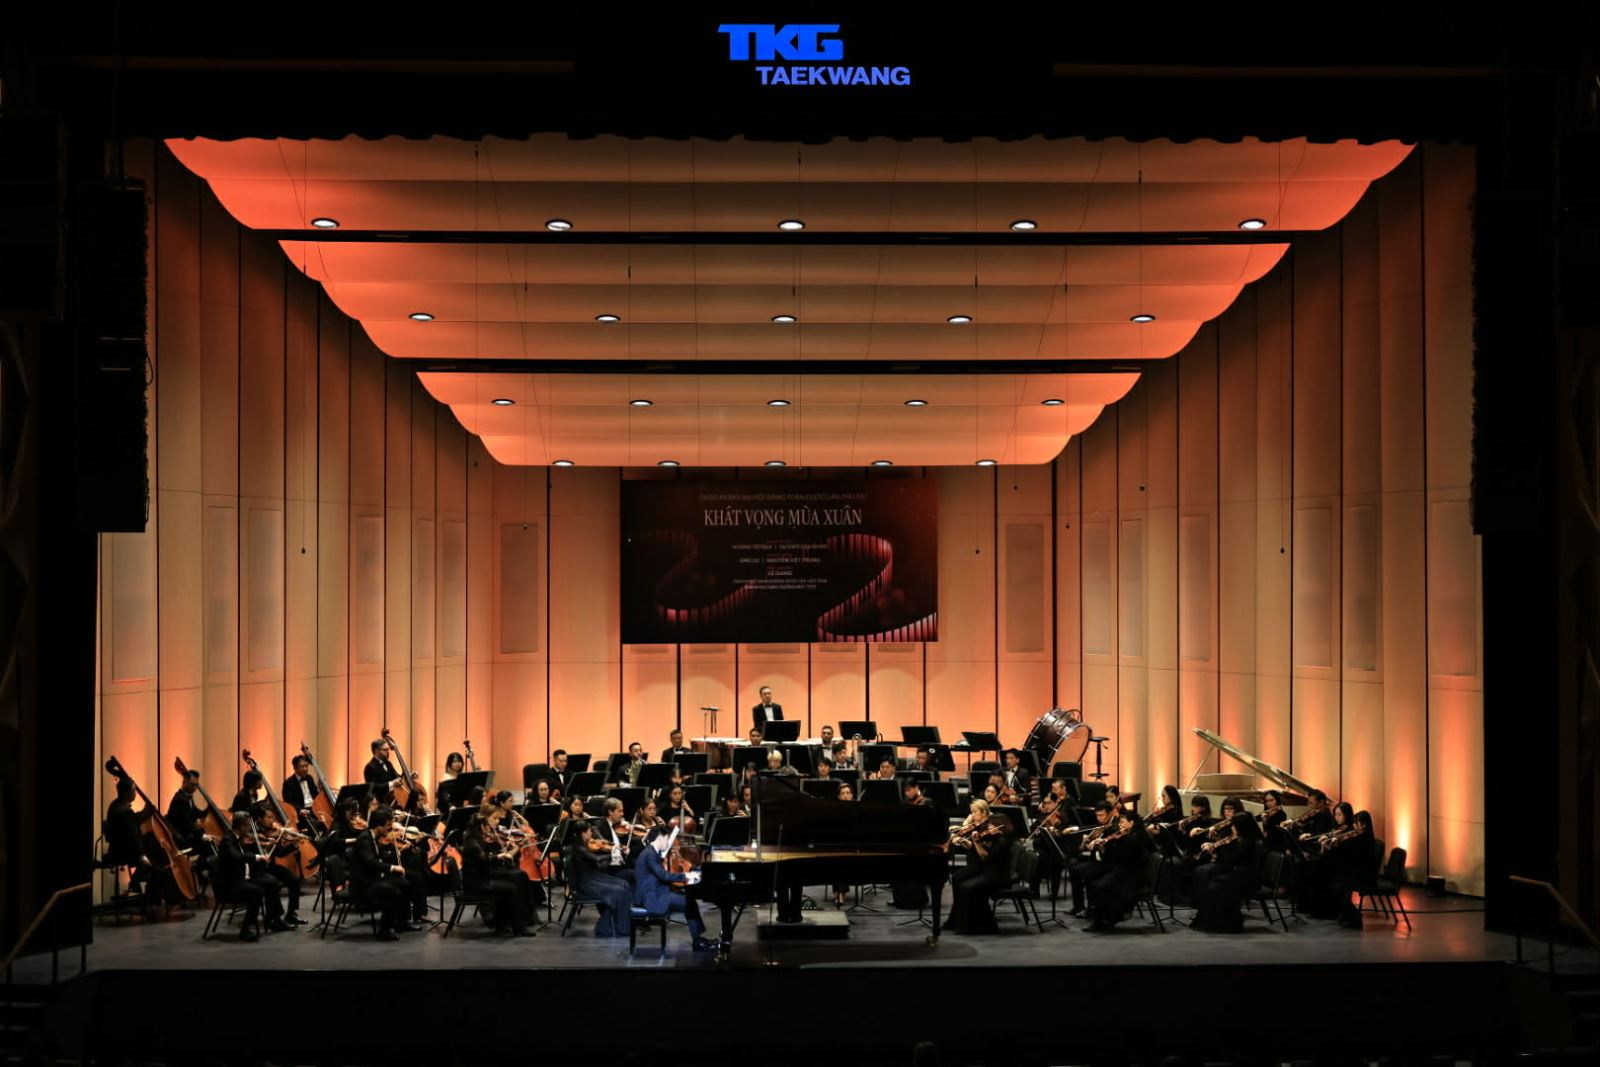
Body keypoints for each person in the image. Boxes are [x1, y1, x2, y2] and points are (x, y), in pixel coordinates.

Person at [214, 813, 290, 940]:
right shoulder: (227, 840)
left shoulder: (238, 838)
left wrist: (264, 846)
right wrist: (257, 857)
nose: (250, 828)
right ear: (241, 826)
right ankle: (245, 930)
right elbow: (236, 857)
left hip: (243, 877)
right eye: (248, 825)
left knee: (272, 883)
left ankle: (275, 919)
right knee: (256, 892)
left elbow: (245, 853)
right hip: (231, 883)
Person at [633, 830, 712, 950]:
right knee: (688, 903)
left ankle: (699, 939)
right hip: (651, 896)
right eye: (666, 839)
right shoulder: (650, 854)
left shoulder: (651, 851)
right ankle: (698, 941)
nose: (668, 843)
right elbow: (663, 875)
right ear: (660, 838)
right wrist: (685, 876)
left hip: (655, 891)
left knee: (689, 902)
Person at [460, 813, 536, 937]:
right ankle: (518, 927)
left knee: (513, 881)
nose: (489, 828)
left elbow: (487, 856)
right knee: (511, 888)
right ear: (482, 826)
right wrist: (500, 855)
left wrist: (503, 850)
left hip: (480, 878)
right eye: (487, 825)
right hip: (476, 883)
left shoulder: (474, 839)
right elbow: (485, 859)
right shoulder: (472, 843)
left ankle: (502, 925)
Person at [349, 805, 417, 941]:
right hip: (364, 884)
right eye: (387, 826)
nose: (389, 829)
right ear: (379, 826)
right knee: (392, 891)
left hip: (373, 878)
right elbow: (371, 863)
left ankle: (402, 922)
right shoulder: (364, 839)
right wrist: (392, 868)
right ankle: (385, 930)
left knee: (405, 884)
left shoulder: (372, 837)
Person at [1190, 811, 1262, 933]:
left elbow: (1229, 861)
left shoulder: (1247, 841)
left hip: (1243, 875)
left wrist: (1214, 851)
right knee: (1202, 874)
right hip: (1236, 870)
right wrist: (1214, 845)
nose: (1232, 827)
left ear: (1242, 827)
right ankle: (1205, 915)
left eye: (1234, 825)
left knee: (1211, 882)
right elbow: (1229, 859)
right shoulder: (1242, 838)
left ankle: (1214, 920)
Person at [945, 814, 1015, 935]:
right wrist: (971, 844)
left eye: (991, 826)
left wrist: (976, 842)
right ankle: (958, 921)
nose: (988, 829)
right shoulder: (994, 837)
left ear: (1000, 827)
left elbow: (986, 856)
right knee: (959, 880)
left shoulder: (1004, 840)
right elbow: (980, 853)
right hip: (988, 871)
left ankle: (975, 925)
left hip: (998, 876)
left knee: (967, 887)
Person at [1083, 809, 1150, 931]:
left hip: (1132, 877)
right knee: (1096, 883)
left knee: (1100, 887)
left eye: (1123, 822)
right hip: (1126, 871)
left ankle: (1102, 920)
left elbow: (1121, 858)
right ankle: (1104, 918)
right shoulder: (1131, 835)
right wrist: (1110, 843)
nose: (1120, 825)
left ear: (1131, 823)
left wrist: (1110, 845)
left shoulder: (1134, 838)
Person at [564, 820, 632, 937]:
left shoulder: (585, 845)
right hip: (586, 884)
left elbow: (598, 863)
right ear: (583, 833)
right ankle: (609, 927)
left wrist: (614, 853)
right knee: (619, 891)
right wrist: (612, 854)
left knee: (624, 884)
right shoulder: (578, 848)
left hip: (595, 877)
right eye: (590, 831)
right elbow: (596, 859)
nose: (592, 833)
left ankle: (624, 924)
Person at [103, 777, 152, 896]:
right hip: (124, 851)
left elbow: (133, 820)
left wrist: (145, 812)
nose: (135, 793)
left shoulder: (116, 805)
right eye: (133, 790)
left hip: (118, 848)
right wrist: (141, 855)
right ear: (126, 792)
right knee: (153, 858)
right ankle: (137, 884)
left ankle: (137, 885)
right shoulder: (123, 811)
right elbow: (132, 834)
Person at [1066, 801, 1116, 916]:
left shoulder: (1115, 827)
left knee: (1089, 873)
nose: (1099, 818)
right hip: (1098, 860)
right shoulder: (1101, 825)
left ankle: (1092, 908)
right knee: (1073, 869)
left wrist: (1100, 844)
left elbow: (1112, 848)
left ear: (1110, 814)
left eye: (1101, 815)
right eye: (1097, 815)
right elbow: (1091, 828)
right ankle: (1078, 906)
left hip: (1109, 862)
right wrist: (1085, 839)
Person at [595, 798, 636, 885]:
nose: (622, 814)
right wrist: (619, 847)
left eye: (622, 811)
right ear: (610, 812)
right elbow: (604, 845)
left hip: (622, 865)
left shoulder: (619, 826)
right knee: (638, 875)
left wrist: (628, 833)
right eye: (619, 811)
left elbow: (626, 846)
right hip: (610, 869)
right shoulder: (599, 826)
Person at [280, 757, 322, 830]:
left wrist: (321, 790)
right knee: (314, 824)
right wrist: (299, 810)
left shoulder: (309, 778)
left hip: (313, 809)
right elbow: (288, 801)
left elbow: (315, 795)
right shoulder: (288, 783)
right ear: (295, 768)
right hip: (301, 812)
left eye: (306, 766)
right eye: (302, 766)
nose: (305, 768)